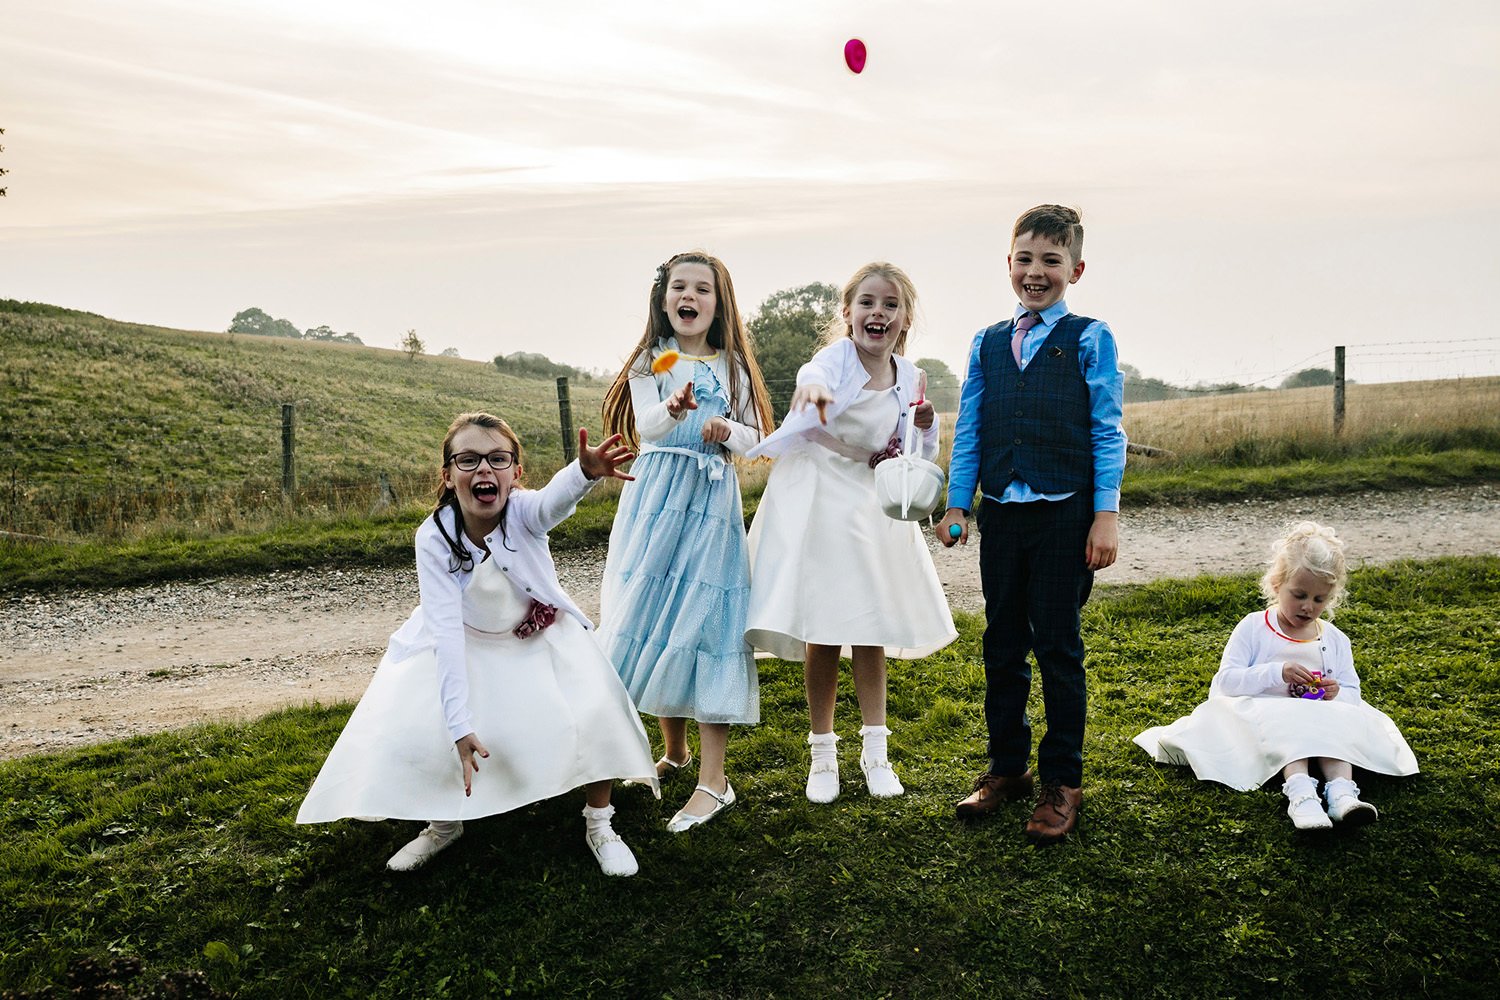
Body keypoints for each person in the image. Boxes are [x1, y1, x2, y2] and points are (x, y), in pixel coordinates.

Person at [297, 413, 659, 877]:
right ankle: (444, 824)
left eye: (498, 459)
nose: (484, 469)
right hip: (466, 643)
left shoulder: (524, 512)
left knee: (594, 712)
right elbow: (444, 630)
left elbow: (552, 503)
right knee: (430, 726)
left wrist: (583, 473)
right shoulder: (434, 537)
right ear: (448, 475)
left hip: (538, 636)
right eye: (467, 460)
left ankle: (600, 824)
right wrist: (458, 724)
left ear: (515, 474)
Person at [938, 204, 1127, 845]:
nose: (1036, 271)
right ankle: (1007, 768)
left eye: (1050, 261)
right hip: (1004, 517)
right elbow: (972, 428)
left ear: (1074, 268)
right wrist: (959, 503)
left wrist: (1105, 516)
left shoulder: (1090, 337)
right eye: (1025, 259)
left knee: (1058, 646)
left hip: (1067, 513)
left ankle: (1062, 782)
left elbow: (1107, 430)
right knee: (1002, 644)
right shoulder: (988, 342)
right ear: (1009, 265)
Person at [745, 261, 957, 804]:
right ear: (847, 312)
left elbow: (912, 456)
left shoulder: (910, 377)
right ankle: (822, 752)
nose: (877, 312)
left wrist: (928, 428)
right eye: (867, 303)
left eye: (889, 305)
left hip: (871, 503)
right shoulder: (833, 358)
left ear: (904, 318)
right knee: (825, 626)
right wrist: (813, 396)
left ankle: (876, 751)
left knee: (870, 625)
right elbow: (812, 380)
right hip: (821, 495)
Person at [598, 250, 774, 833]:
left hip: (708, 503)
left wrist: (730, 430)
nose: (689, 296)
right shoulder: (653, 361)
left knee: (702, 623)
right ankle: (673, 752)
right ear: (663, 297)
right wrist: (673, 407)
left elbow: (755, 442)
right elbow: (646, 425)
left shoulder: (732, 368)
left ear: (718, 303)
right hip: (654, 501)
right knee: (651, 614)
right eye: (680, 287)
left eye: (702, 288)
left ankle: (714, 782)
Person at [1134, 521, 1418, 829]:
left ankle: (1341, 794)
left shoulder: (1334, 640)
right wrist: (1277, 673)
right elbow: (1227, 681)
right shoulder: (1255, 628)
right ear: (1276, 584)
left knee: (1337, 722)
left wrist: (1337, 693)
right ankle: (1302, 794)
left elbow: (1352, 691)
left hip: (1321, 717)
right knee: (1289, 726)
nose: (1308, 607)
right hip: (1265, 716)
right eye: (1299, 595)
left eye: (1319, 599)